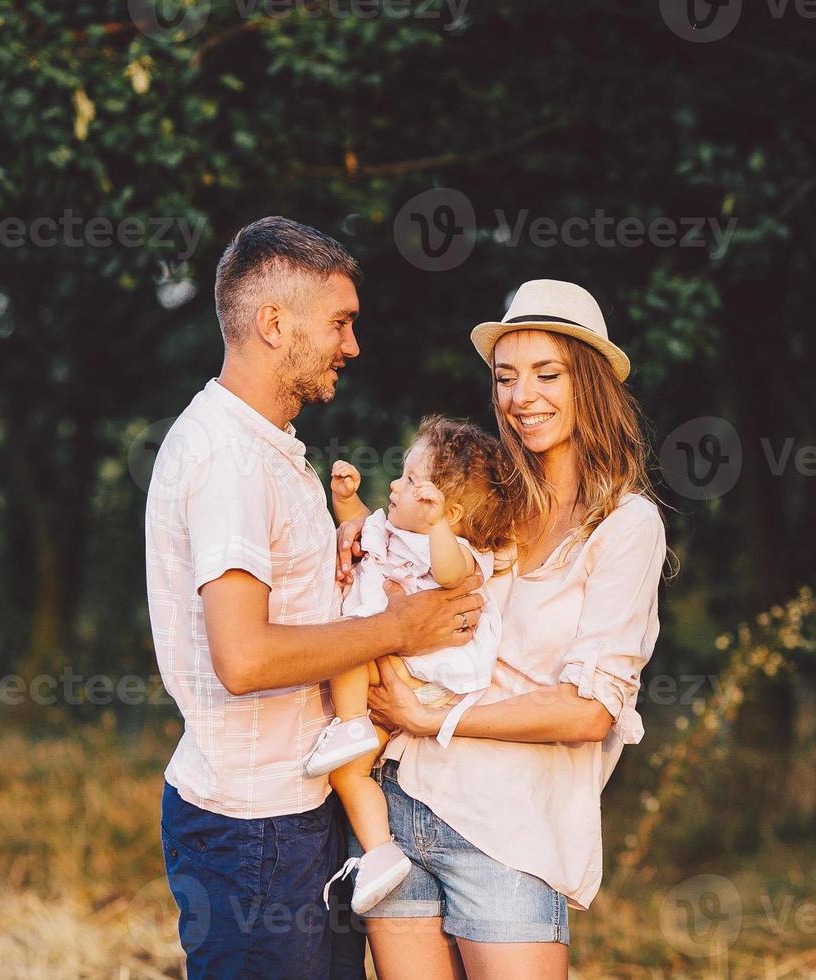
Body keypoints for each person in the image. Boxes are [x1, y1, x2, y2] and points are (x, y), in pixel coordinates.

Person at [144, 216, 485, 979]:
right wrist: (395, 624)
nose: (352, 345)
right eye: (340, 323)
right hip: (254, 828)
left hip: (297, 815)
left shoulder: (268, 450)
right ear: (274, 324)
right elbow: (245, 656)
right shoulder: (230, 459)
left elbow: (283, 610)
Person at [359, 279, 670, 979]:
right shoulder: (485, 503)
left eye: (546, 374)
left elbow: (591, 710)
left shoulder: (626, 527)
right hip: (400, 806)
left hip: (510, 832)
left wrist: (434, 715)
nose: (521, 396)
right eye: (505, 378)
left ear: (587, 383)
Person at [306, 417, 513, 916]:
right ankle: (381, 854)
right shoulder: (393, 530)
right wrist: (345, 501)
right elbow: (361, 532)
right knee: (348, 775)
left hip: (429, 673)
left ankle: (351, 724)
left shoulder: (460, 552)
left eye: (409, 480)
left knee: (347, 645)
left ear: (449, 510)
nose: (395, 484)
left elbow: (447, 573)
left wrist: (440, 526)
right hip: (395, 678)